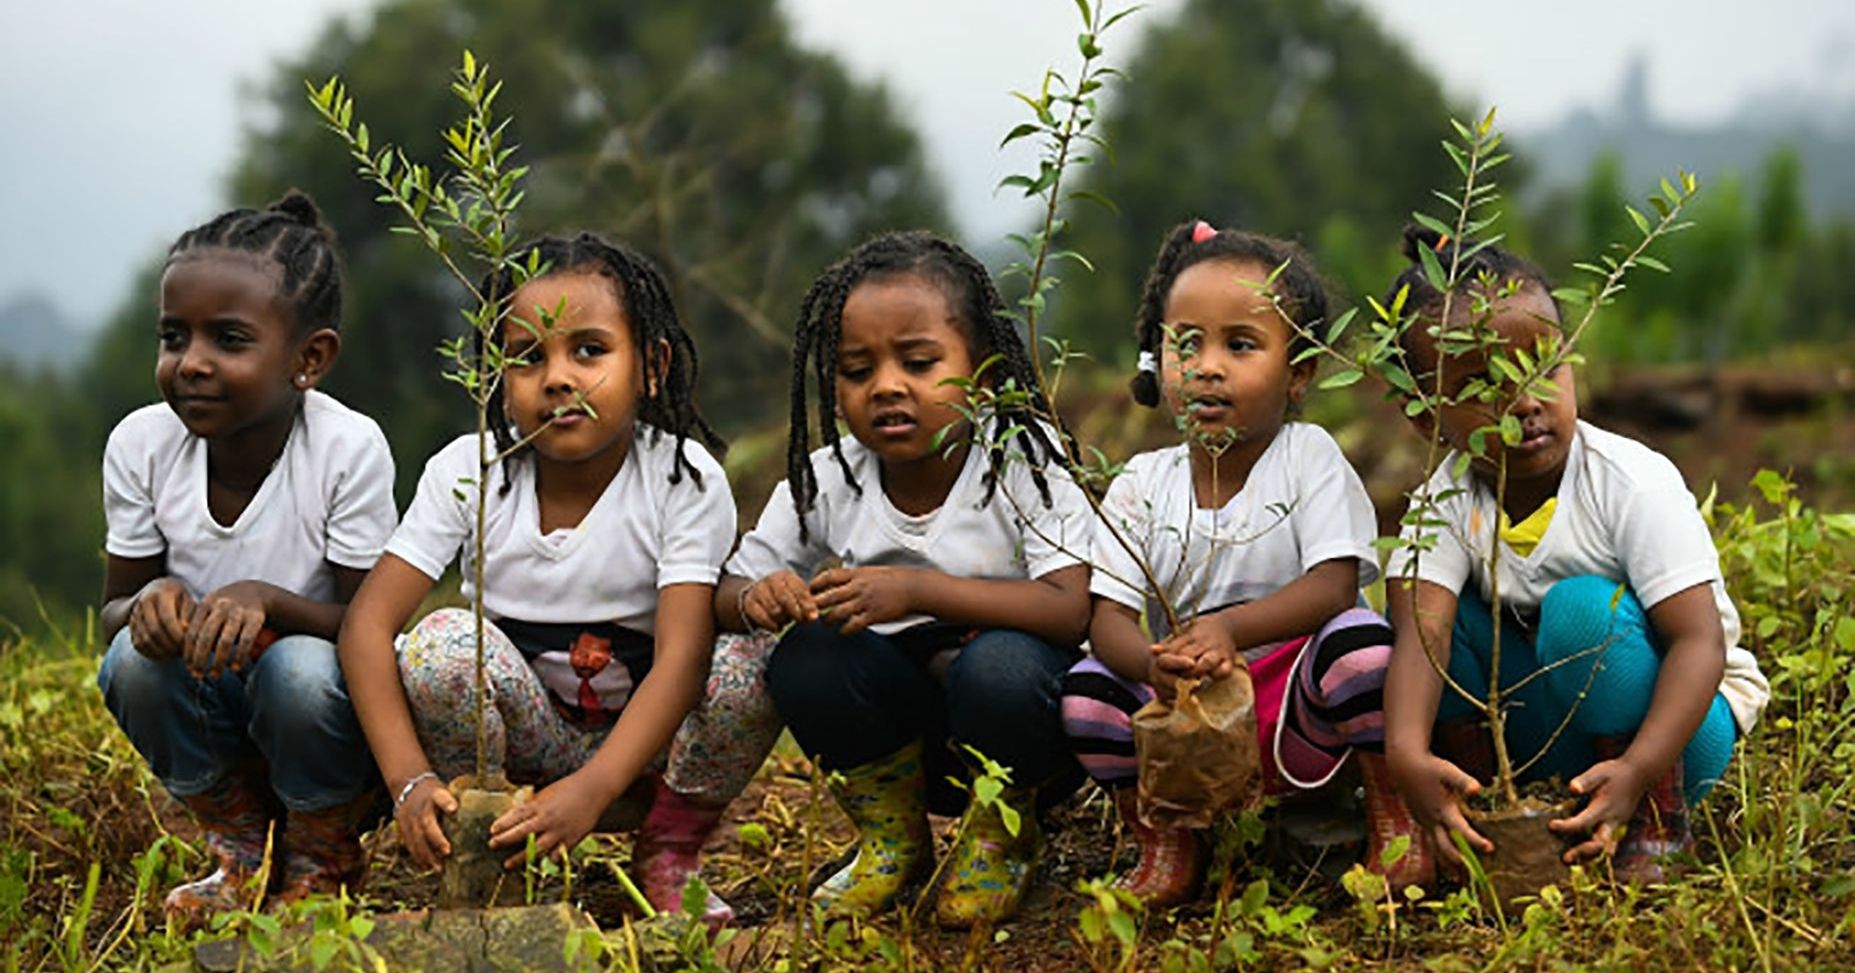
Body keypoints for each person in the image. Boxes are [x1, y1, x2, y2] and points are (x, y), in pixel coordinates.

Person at [336, 232, 741, 920]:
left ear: (651, 364)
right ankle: (485, 848)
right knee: (438, 645)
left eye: (589, 350)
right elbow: (367, 627)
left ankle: (669, 848)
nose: (557, 377)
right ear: (495, 377)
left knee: (747, 655)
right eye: (526, 357)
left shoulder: (683, 479)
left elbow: (682, 655)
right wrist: (408, 780)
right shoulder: (469, 469)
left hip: (648, 761)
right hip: (520, 756)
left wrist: (593, 787)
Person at [714, 230, 1091, 927]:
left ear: (980, 374)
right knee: (807, 653)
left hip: (1023, 735)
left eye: (918, 362)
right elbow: (727, 589)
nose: (887, 385)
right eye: (857, 370)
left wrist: (914, 591)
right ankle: (894, 840)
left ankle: (1000, 839)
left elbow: (1071, 610)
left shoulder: (1021, 463)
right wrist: (757, 596)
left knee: (998, 664)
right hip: (907, 736)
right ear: (833, 387)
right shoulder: (828, 478)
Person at [1380, 227, 1769, 882]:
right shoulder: (1441, 501)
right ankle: (1488, 811)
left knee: (1580, 611)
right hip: (1549, 732)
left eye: (1542, 366)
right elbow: (1426, 633)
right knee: (1434, 622)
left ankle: (1649, 821)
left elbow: (1698, 641)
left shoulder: (1628, 481)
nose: (1524, 402)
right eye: (1482, 384)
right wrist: (1404, 752)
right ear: (1424, 415)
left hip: (1675, 731)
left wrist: (1638, 771)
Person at [1059, 219, 1429, 907]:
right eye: (1185, 344)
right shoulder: (1141, 482)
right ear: (1156, 359)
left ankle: (1393, 819)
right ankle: (1165, 840)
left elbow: (1333, 584)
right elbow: (1107, 614)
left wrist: (1230, 630)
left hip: (1292, 709)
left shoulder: (1306, 456)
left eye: (1239, 344)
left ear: (1298, 374)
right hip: (1184, 713)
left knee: (1359, 647)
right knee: (1087, 687)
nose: (1206, 365)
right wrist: (1150, 666)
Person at [96, 192, 397, 922]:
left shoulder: (346, 450)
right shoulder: (141, 444)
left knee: (297, 669)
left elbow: (373, 628)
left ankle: (321, 849)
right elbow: (110, 614)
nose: (190, 363)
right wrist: (148, 606)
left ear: (310, 358)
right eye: (174, 336)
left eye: (228, 340)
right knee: (131, 664)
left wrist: (272, 602)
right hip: (215, 710)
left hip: (324, 719)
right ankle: (239, 847)